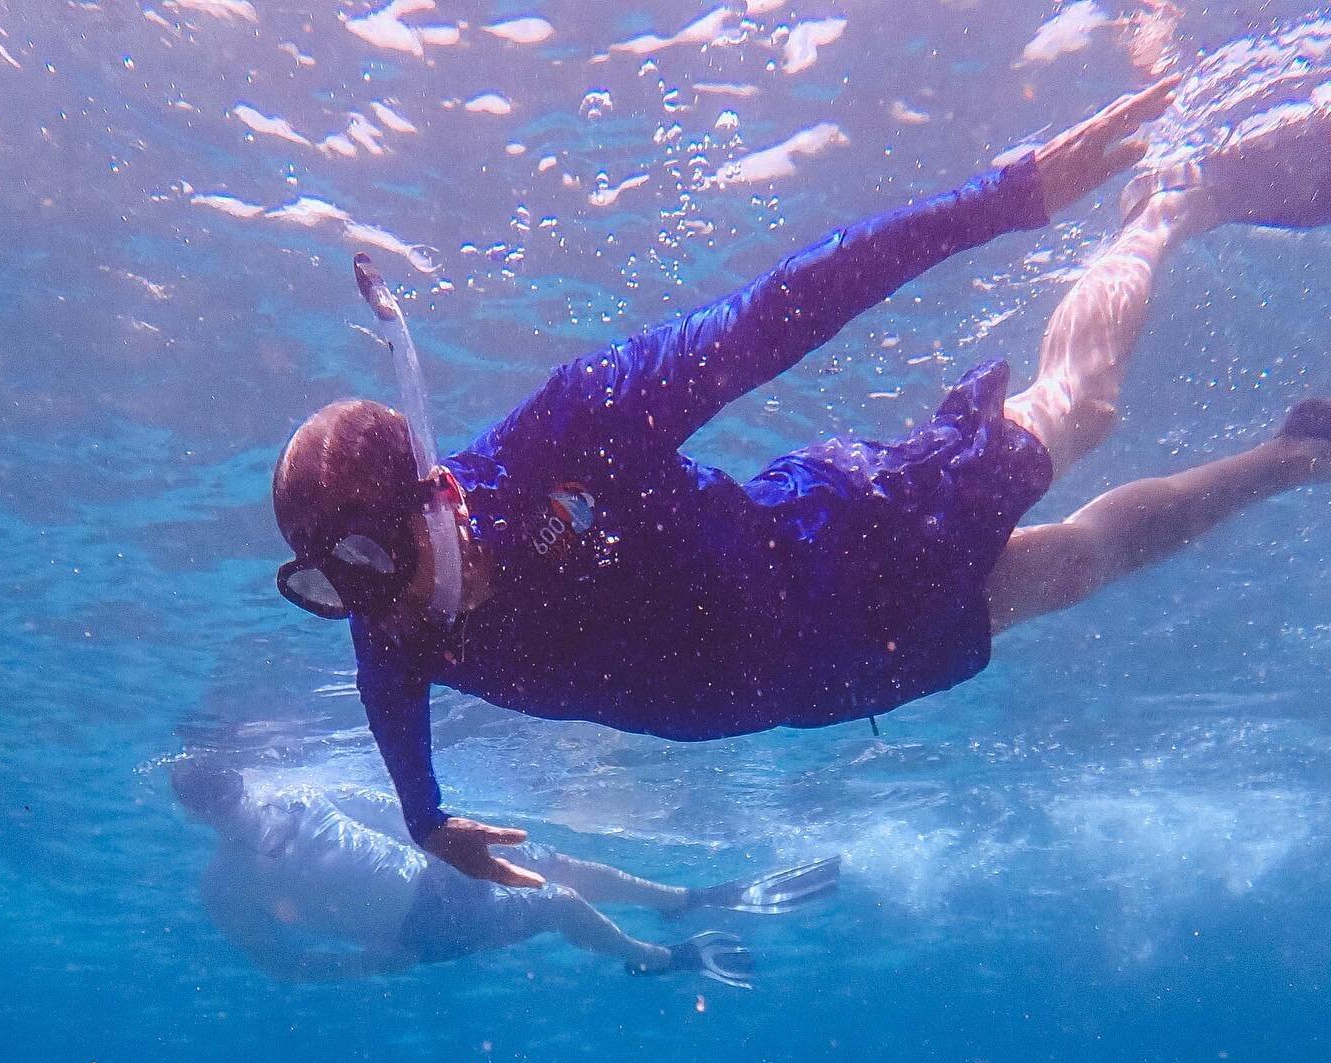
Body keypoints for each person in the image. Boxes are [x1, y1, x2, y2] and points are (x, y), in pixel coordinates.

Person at [270, 77, 1331, 886]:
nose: (372, 608)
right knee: (1077, 570)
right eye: (329, 589)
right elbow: (388, 702)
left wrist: (1002, 199)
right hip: (826, 679)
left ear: (438, 496)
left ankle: (1167, 208)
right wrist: (423, 820)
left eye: (369, 564)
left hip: (847, 551)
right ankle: (1295, 457)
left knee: (1077, 415)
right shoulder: (388, 623)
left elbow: (774, 314)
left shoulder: (572, 432)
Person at [170, 759, 841, 985]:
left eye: (227, 785)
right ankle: (658, 959)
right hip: (422, 926)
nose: (233, 801)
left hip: (436, 871)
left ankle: (682, 899)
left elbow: (389, 808)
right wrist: (372, 964)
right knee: (559, 902)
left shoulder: (300, 793)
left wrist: (448, 831)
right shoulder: (222, 886)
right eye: (213, 798)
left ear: (238, 777)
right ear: (200, 814)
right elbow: (281, 965)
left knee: (556, 863)